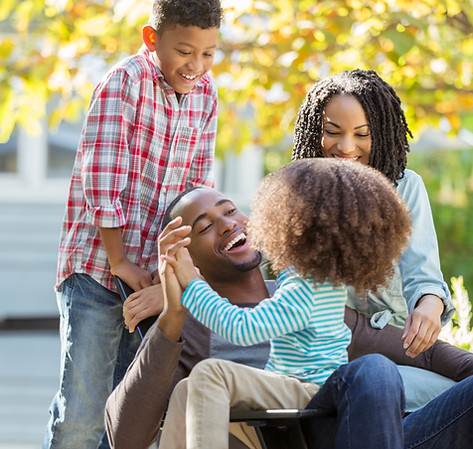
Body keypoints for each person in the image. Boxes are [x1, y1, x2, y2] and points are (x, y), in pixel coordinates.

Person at [105, 185, 473, 449]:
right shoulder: (194, 325)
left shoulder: (307, 295)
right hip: (289, 436)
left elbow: (420, 351)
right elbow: (126, 437)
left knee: (374, 370)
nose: (227, 223)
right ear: (189, 260)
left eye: (230, 210)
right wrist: (172, 315)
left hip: (365, 435)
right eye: (204, 227)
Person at [43, 1, 223, 448]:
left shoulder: (206, 97)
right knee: (81, 416)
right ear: (151, 39)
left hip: (149, 284)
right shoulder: (125, 82)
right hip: (98, 272)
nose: (196, 65)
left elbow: (196, 196)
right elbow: (101, 178)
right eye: (185, 51)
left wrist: (171, 282)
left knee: (126, 419)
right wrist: (119, 259)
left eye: (208, 53)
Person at [157, 158, 413, 449]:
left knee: (210, 373)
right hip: (294, 386)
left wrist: (192, 283)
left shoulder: (307, 288)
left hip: (308, 392)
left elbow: (240, 328)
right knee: (187, 390)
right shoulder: (314, 279)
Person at [292, 69, 453, 359]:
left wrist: (430, 303)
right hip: (327, 350)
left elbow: (424, 276)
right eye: (332, 132)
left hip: (397, 342)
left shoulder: (405, 188)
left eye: (362, 134)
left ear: (381, 134)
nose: (346, 147)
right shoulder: (298, 192)